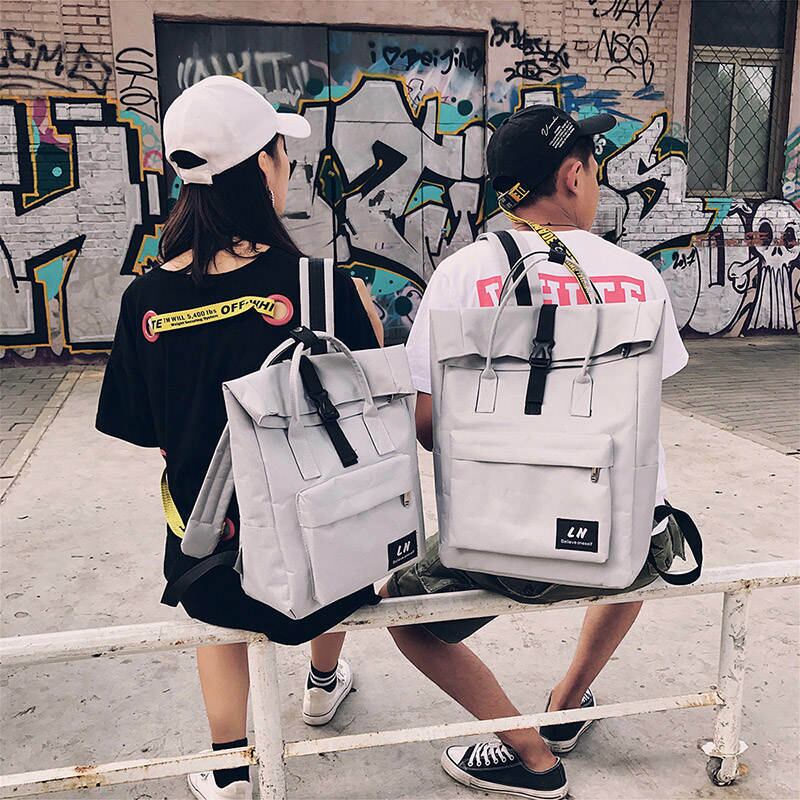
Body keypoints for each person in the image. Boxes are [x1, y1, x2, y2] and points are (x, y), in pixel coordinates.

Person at [380, 105, 691, 799]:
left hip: (506, 549)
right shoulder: (638, 278)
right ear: (573, 174)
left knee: (403, 612)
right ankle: (566, 704)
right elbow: (641, 417)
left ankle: (530, 755)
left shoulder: (460, 275)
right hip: (628, 552)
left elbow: (427, 425)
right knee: (646, 508)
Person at [95, 76, 380, 800]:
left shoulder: (144, 299)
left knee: (218, 627)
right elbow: (373, 412)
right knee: (335, 541)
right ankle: (323, 683)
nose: (288, 168)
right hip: (320, 554)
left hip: (210, 554)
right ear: (262, 166)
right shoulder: (322, 287)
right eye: (282, 153)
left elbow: (140, 426)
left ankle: (227, 770)